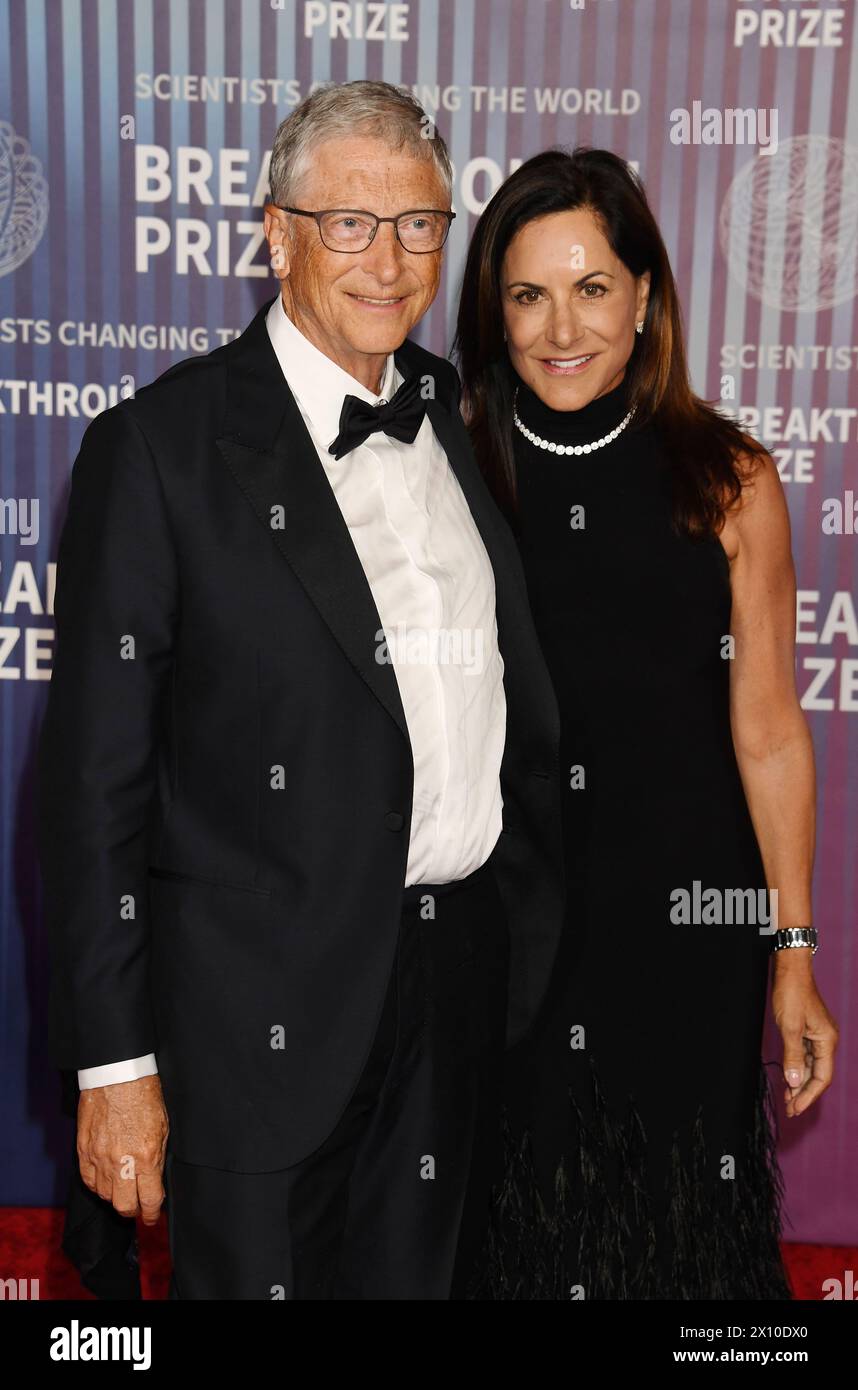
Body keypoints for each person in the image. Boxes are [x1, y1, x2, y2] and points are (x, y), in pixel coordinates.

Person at [35, 81, 565, 1301]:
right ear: (276, 234)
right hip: (255, 1028)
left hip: (452, 1002)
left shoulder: (455, 413)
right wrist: (115, 1065)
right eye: (349, 224)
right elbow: (93, 782)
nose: (390, 260)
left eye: (422, 224)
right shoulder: (159, 451)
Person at [454, 146, 839, 1300]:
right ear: (497, 312)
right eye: (528, 294)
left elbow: (768, 728)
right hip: (503, 926)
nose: (560, 327)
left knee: (678, 1238)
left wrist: (794, 953)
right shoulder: (459, 468)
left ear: (646, 297)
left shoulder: (726, 478)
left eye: (592, 287)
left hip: (684, 928)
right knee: (515, 1226)